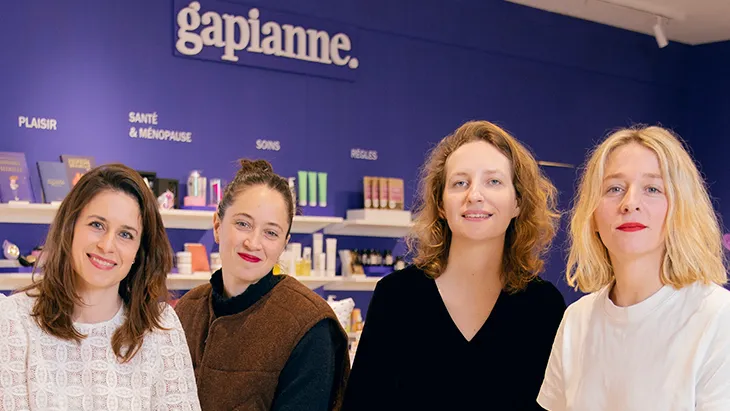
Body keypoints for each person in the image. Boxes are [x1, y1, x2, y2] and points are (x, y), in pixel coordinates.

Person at [342, 120, 567, 411]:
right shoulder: (397, 296)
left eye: (494, 181)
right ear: (440, 205)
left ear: (518, 204)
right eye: (460, 182)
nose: (474, 195)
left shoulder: (543, 306)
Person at [537, 126, 730, 410]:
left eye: (652, 189)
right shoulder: (576, 320)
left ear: (681, 208)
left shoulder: (718, 318)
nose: (630, 203)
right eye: (614, 189)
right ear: (591, 213)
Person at [0, 164, 201, 410]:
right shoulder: (14, 320)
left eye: (126, 234)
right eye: (97, 225)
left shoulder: (161, 330)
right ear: (70, 226)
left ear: (140, 251)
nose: (107, 245)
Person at [174, 159, 350, 411]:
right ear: (217, 225)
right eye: (243, 224)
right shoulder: (187, 310)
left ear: (284, 243)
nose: (254, 243)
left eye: (271, 232)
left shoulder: (309, 325)